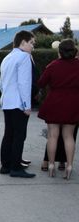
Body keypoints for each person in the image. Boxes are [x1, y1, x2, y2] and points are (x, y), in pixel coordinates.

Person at [37, 39, 79, 180]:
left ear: (59, 52)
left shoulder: (53, 65)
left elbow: (41, 83)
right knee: (69, 136)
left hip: (54, 102)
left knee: (52, 136)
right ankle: (69, 166)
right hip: (73, 103)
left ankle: (51, 166)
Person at [0, 30, 37, 178]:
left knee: (8, 134)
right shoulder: (24, 57)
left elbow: (1, 84)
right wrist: (27, 105)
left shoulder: (7, 57)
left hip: (7, 101)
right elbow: (24, 83)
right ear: (23, 42)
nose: (33, 46)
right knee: (19, 136)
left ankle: (5, 166)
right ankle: (16, 168)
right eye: (31, 43)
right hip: (19, 103)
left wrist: (6, 96)